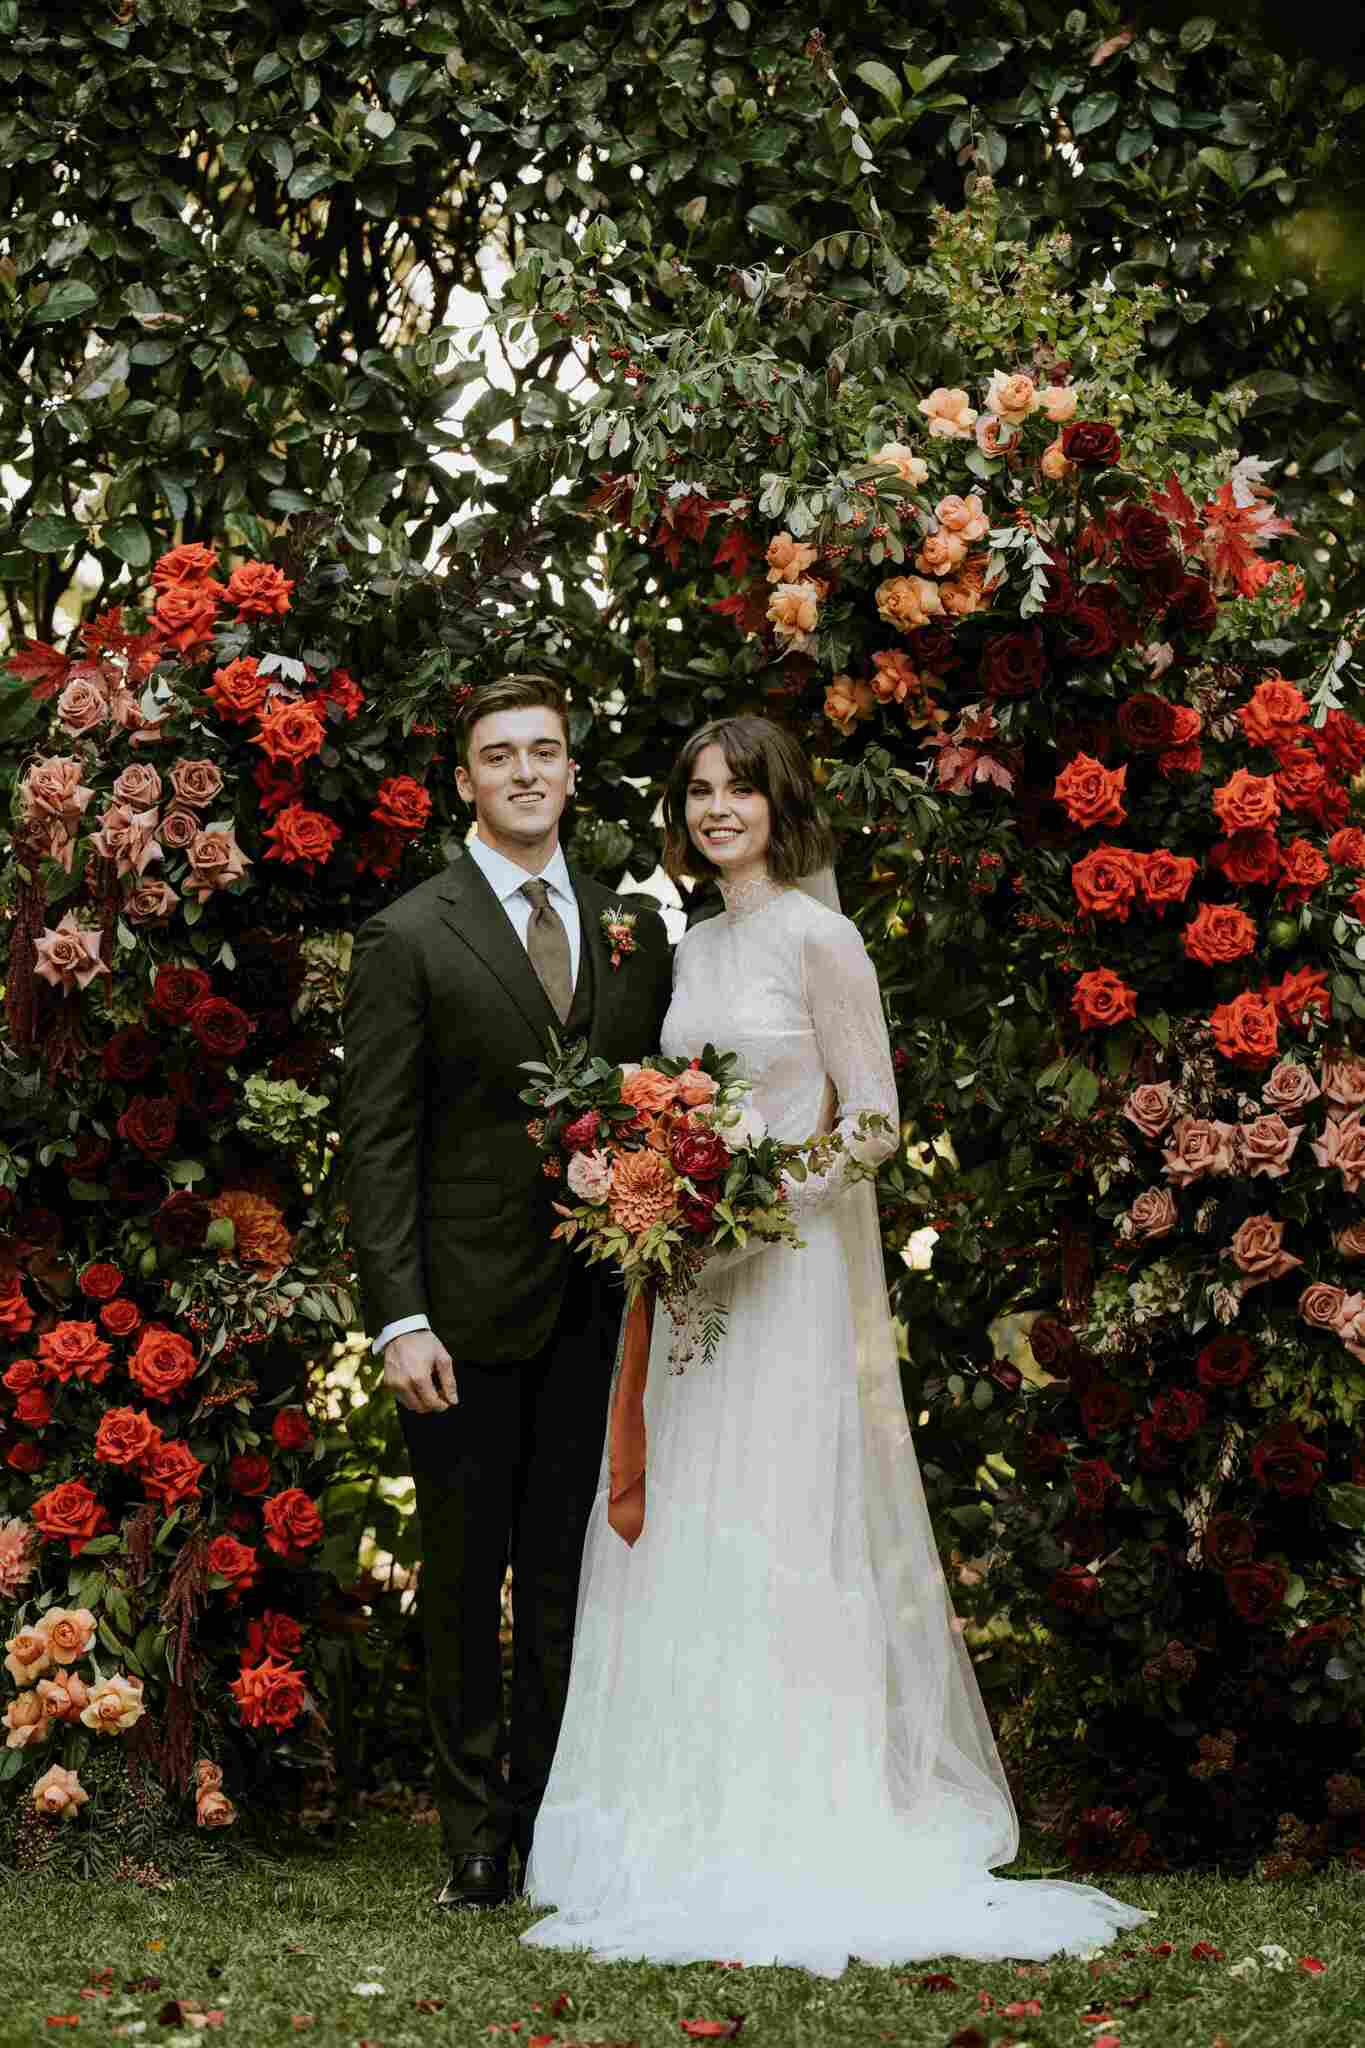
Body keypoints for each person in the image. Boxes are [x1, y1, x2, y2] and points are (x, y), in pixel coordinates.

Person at [520, 714, 1148, 1975]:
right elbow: (675, 1104)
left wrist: (757, 1206)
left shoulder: (824, 936)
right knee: (686, 1517)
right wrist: (650, 1182)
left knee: (782, 1515)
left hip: (786, 1274)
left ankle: (802, 1809)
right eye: (697, 791)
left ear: (779, 802)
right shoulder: (690, 945)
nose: (715, 809)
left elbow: (872, 1121)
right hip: (695, 1284)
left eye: (738, 789)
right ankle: (675, 1814)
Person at [341, 674, 673, 1910]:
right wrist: (399, 1315)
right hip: (461, 1317)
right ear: (467, 781)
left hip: (596, 1306)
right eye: (501, 755)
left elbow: (655, 1103)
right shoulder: (410, 934)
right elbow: (376, 1139)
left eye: (547, 749)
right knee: (466, 1569)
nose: (527, 771)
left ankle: (553, 1824)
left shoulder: (632, 931)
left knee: (568, 1577)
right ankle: (474, 1834)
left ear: (573, 773)